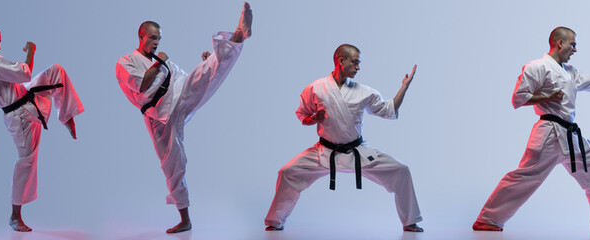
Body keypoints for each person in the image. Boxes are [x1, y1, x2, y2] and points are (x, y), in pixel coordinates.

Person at [472, 26, 590, 232]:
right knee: (526, 176)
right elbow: (518, 97)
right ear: (560, 43)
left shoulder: (570, 72)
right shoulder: (537, 67)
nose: (575, 49)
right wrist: (546, 97)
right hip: (549, 134)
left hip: (571, 136)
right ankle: (487, 219)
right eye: (573, 44)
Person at [114, 2, 252, 233]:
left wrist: (208, 62)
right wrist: (159, 65)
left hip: (178, 96)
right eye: (152, 38)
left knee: (204, 73)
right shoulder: (125, 62)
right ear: (141, 36)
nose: (157, 43)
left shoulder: (163, 60)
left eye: (159, 39)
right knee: (173, 166)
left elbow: (188, 79)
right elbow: (141, 85)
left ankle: (238, 36)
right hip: (157, 115)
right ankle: (185, 219)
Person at [264, 44, 424, 232]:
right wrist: (315, 118)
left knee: (401, 170)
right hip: (324, 152)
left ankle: (410, 221)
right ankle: (275, 221)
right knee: (287, 172)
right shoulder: (315, 88)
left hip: (357, 152)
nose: (358, 68)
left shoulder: (365, 92)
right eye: (355, 62)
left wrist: (404, 88)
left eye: (359, 63)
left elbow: (388, 109)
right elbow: (302, 116)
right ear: (341, 61)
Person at [0, 24, 84, 232]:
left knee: (56, 72)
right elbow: (25, 73)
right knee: (27, 162)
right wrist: (31, 50)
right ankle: (15, 216)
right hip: (20, 114)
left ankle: (66, 116)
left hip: (25, 96)